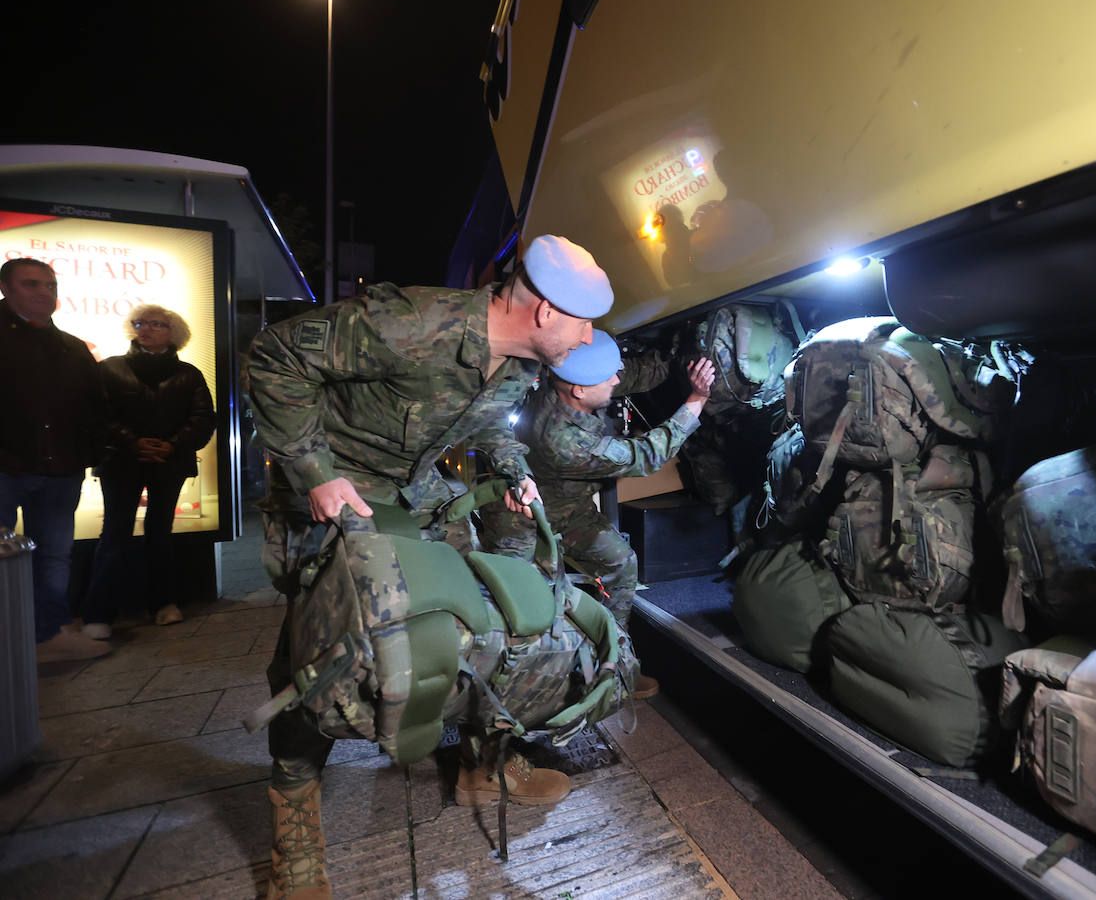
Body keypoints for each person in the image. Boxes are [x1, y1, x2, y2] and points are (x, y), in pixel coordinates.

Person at [247, 235, 612, 900]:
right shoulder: (413, 323)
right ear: (544, 313)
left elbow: (490, 421)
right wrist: (314, 471)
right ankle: (295, 824)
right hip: (336, 498)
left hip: (417, 494)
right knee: (319, 657)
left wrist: (512, 470)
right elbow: (274, 356)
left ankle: (482, 761)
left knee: (480, 620)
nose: (589, 339)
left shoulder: (514, 361)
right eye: (583, 322)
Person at [482, 330, 715, 698]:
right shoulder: (565, 439)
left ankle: (615, 663)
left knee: (621, 565)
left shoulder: (563, 383)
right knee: (531, 610)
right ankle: (538, 694)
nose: (616, 380)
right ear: (579, 390)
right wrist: (697, 398)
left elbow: (631, 375)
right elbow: (646, 456)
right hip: (524, 520)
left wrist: (679, 361)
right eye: (608, 377)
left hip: (569, 508)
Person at [79, 305, 215, 638]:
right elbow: (97, 415)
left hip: (170, 463)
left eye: (158, 324)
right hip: (120, 462)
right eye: (142, 323)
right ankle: (98, 614)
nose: (148, 329)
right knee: (114, 534)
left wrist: (171, 445)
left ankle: (164, 604)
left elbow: (202, 419)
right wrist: (133, 442)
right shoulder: (110, 368)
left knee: (160, 533)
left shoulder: (188, 374)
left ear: (174, 332)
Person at [0, 258, 110, 663]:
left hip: (60, 469)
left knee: (54, 555)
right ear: (6, 289)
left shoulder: (72, 347)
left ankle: (49, 634)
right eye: (32, 284)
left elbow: (95, 408)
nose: (44, 291)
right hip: (6, 467)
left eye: (50, 284)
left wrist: (92, 453)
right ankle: (11, 639)